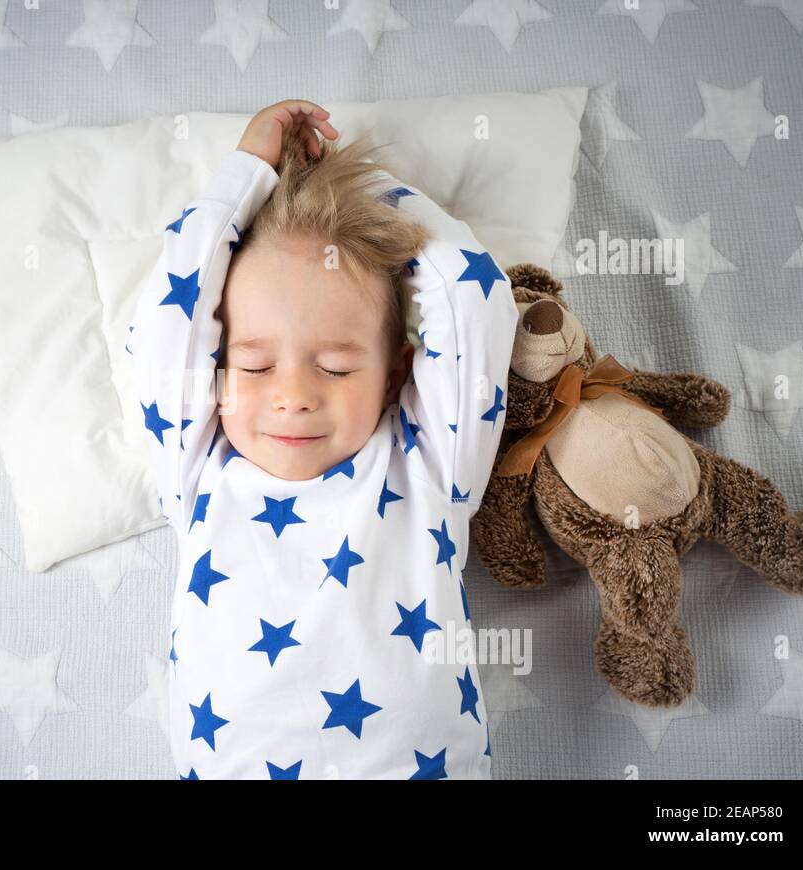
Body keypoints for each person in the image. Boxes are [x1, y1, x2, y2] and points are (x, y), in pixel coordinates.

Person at [128, 100, 519, 779]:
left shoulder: (426, 466)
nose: (292, 394)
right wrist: (248, 174)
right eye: (254, 365)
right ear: (216, 373)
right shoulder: (200, 472)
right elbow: (167, 320)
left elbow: (474, 297)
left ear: (397, 373)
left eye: (336, 367)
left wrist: (354, 184)